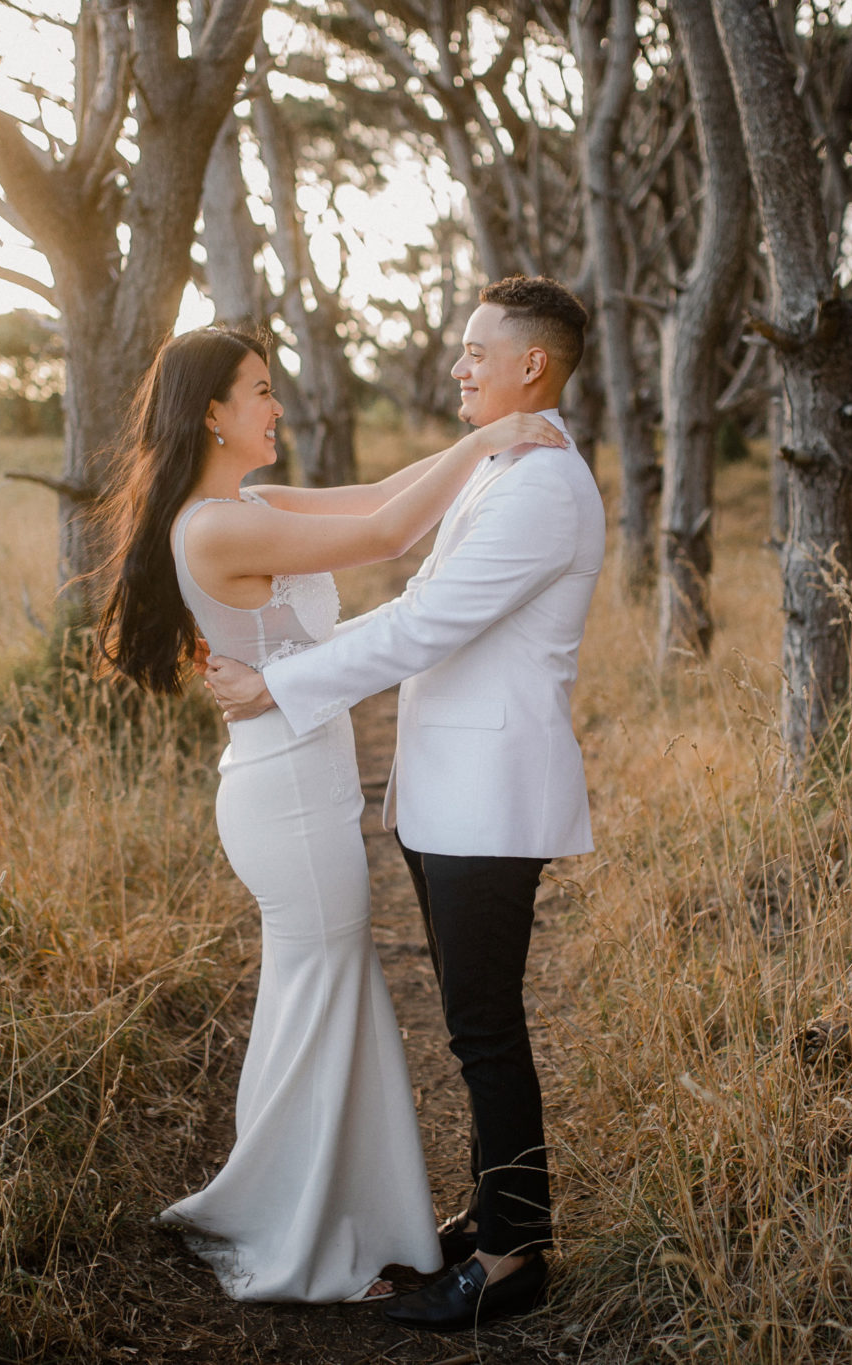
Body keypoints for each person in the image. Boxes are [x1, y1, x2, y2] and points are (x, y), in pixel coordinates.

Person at [95, 326, 567, 1304]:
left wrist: (473, 453)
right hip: (285, 795)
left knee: (322, 994)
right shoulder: (216, 527)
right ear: (211, 412)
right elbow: (388, 534)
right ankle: (301, 1230)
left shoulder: (245, 505)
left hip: (296, 782)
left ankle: (326, 1210)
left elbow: (371, 507)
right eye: (260, 391)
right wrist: (487, 442)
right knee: (318, 998)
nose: (277, 407)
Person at [204, 275, 603, 1331]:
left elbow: (425, 627)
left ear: (533, 365)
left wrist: (281, 682)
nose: (459, 366)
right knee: (477, 1022)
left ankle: (515, 1259)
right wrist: (248, 507)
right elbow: (391, 530)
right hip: (451, 793)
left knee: (483, 1029)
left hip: (492, 794)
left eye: (478, 351)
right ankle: (493, 1210)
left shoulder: (541, 486)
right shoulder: (506, 464)